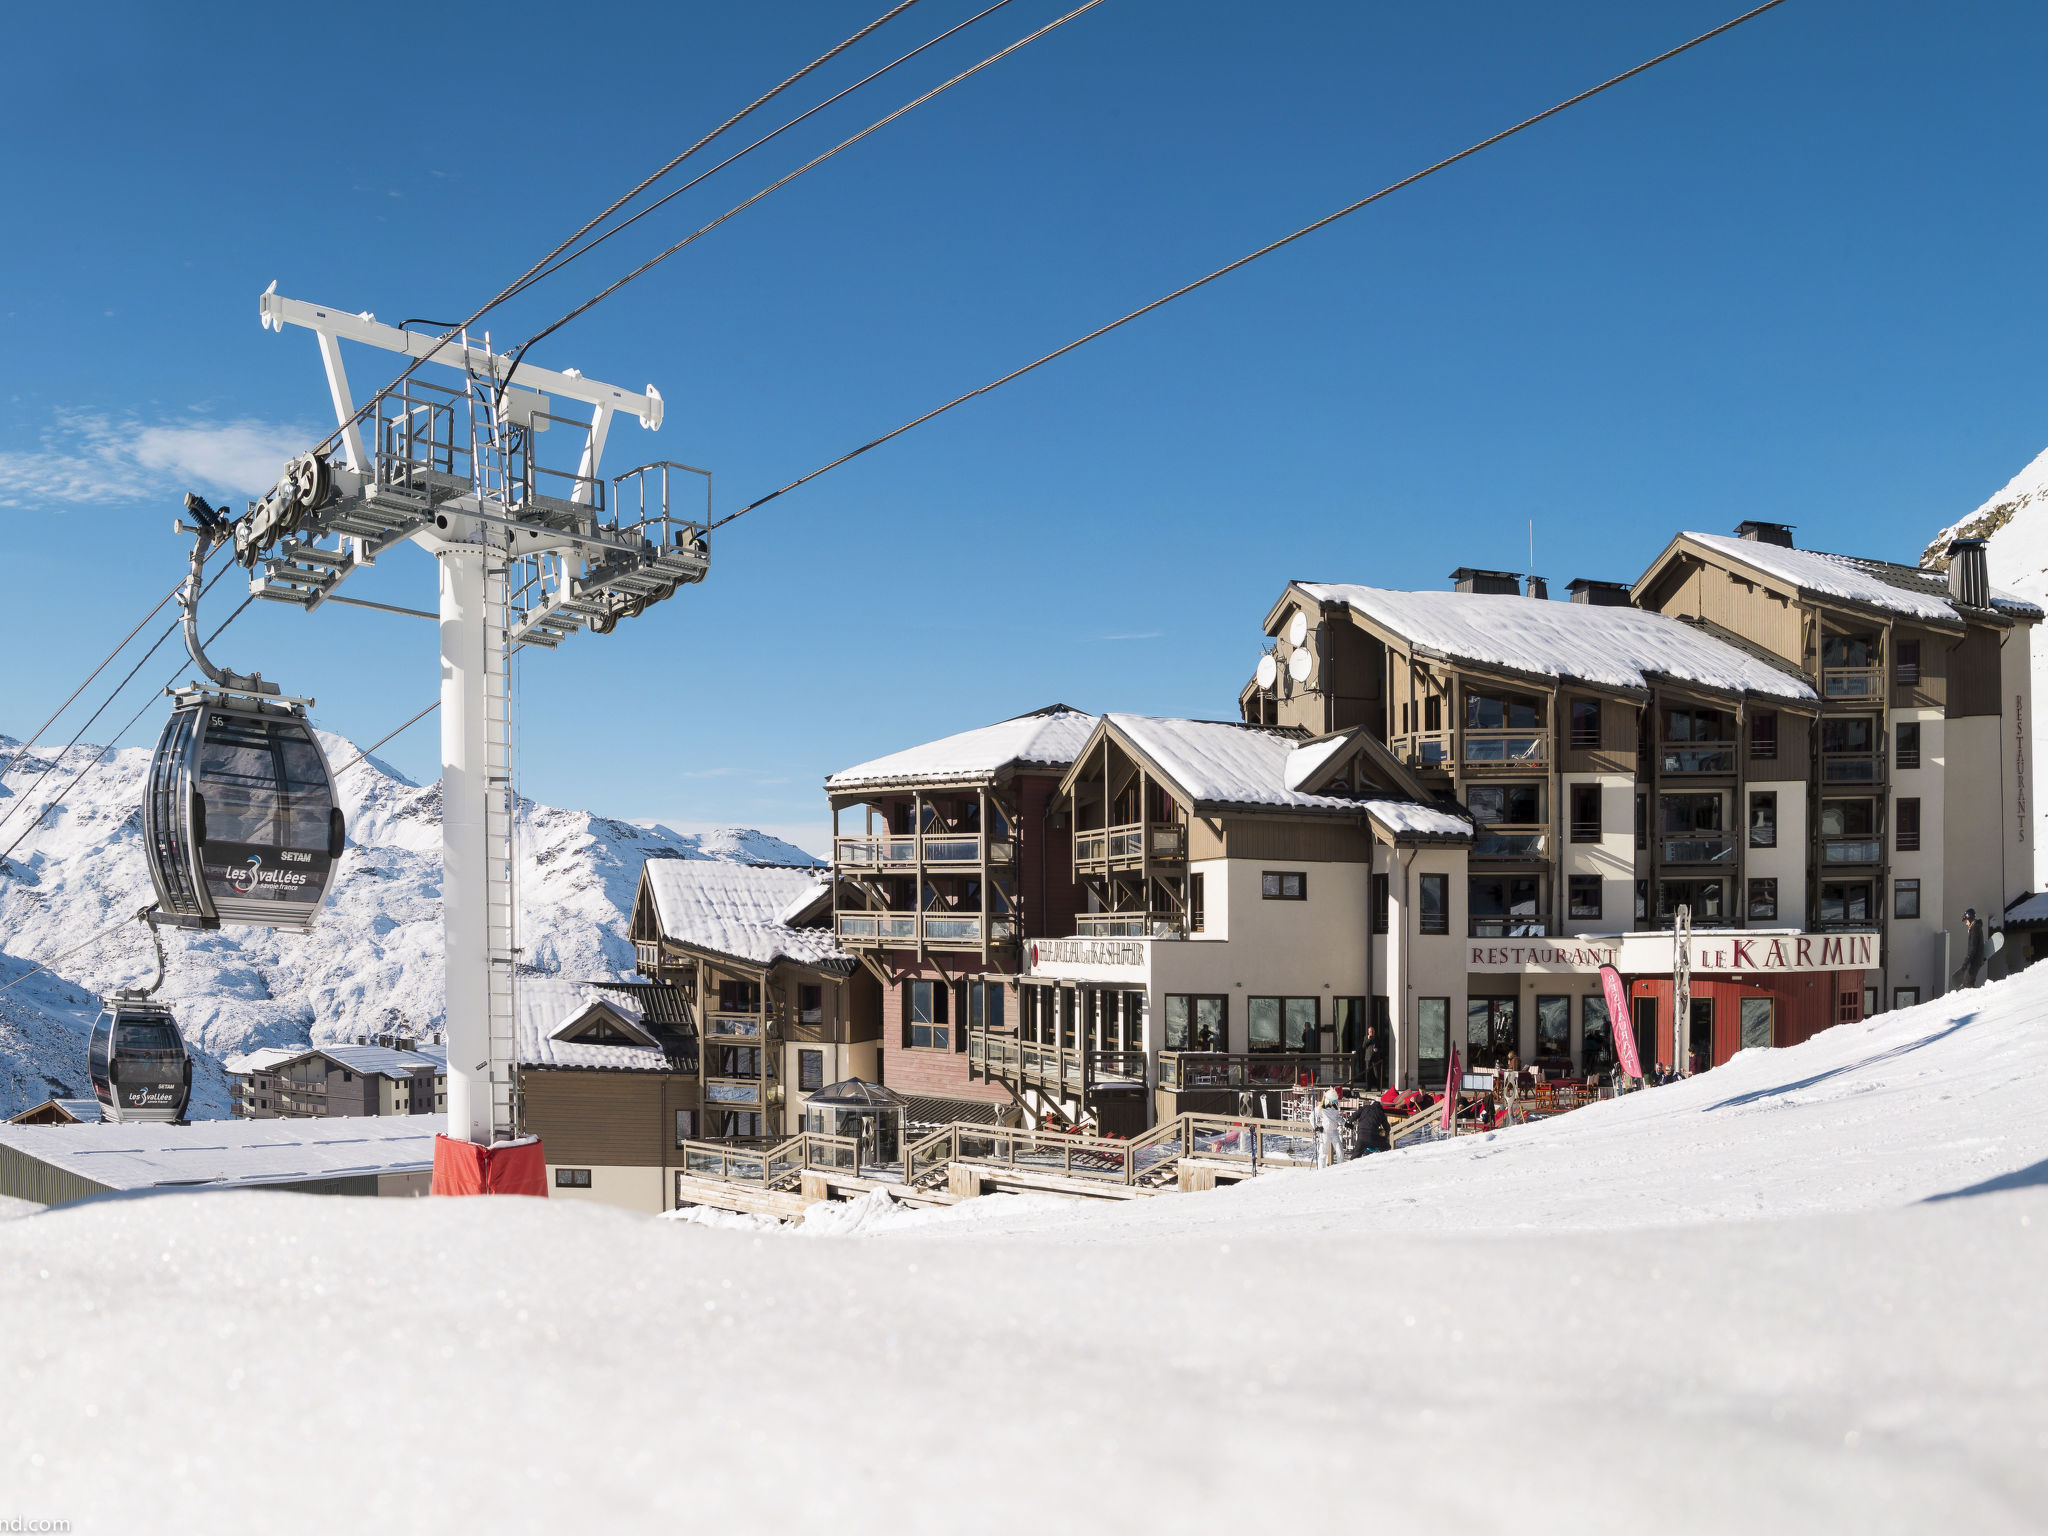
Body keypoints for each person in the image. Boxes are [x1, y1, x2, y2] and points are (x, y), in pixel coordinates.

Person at [1953, 908, 1988, 991]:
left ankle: (1977, 998)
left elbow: (1973, 947)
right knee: (1967, 983)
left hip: (1975, 960)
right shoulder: (1975, 927)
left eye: (1966, 921)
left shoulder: (1975, 929)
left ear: (1970, 919)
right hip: (1975, 959)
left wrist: (1966, 961)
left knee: (1968, 984)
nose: (1966, 923)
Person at [1315, 1088, 1347, 1168]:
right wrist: (1316, 1127)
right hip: (1325, 1132)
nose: (1334, 1103)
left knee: (1340, 1151)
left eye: (1335, 1101)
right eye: (1333, 1101)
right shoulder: (1321, 1107)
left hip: (1334, 1132)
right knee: (1323, 1153)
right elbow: (1312, 1116)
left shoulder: (1335, 1108)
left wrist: (1345, 1123)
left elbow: (1337, 1117)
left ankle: (1340, 1168)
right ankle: (1321, 1170)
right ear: (1328, 1100)